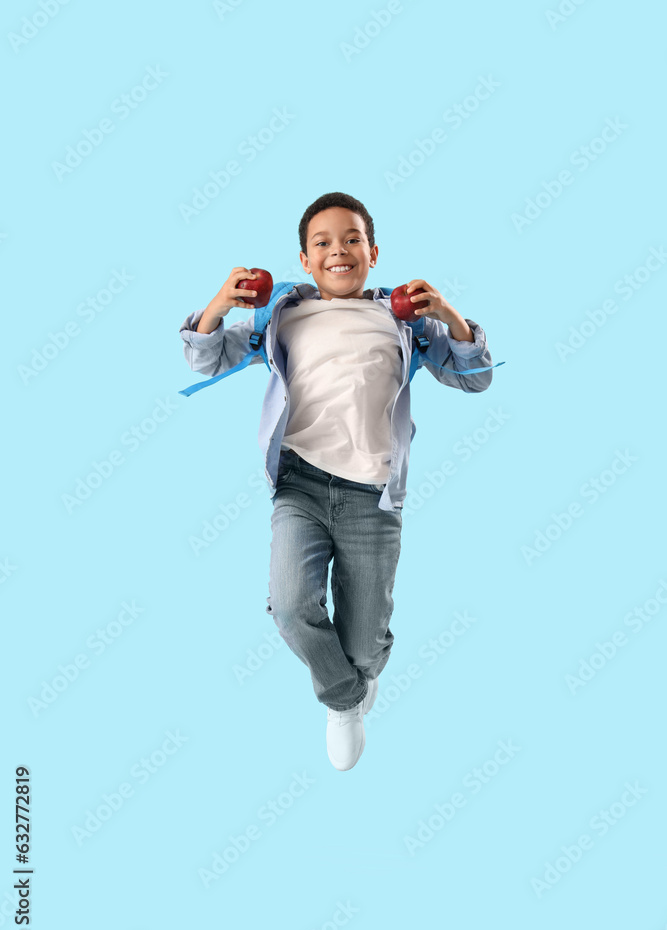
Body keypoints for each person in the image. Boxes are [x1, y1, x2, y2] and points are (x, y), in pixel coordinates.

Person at [179, 192, 495, 771]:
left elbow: (474, 378)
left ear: (373, 252)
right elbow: (205, 358)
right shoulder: (282, 315)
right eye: (322, 242)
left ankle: (363, 670)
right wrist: (220, 303)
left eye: (351, 239)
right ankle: (343, 700)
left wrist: (449, 314)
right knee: (291, 605)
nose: (338, 251)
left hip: (372, 493)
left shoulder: (404, 322)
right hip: (299, 481)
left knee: (367, 636)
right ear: (305, 259)